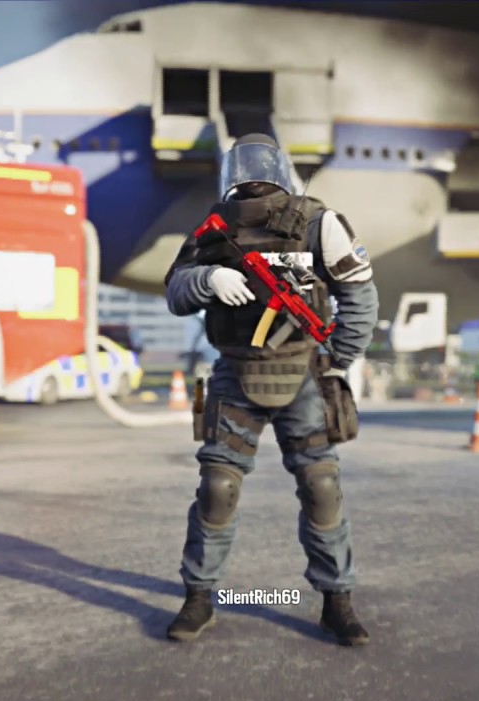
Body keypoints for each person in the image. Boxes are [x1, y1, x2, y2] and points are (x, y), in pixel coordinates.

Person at [162, 134, 379, 646]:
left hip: (303, 372)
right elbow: (176, 290)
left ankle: (337, 601)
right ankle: (199, 597)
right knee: (218, 488)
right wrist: (209, 279)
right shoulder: (216, 227)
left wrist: (337, 361)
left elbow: (359, 296)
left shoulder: (318, 223)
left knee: (321, 487)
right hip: (235, 372)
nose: (253, 178)